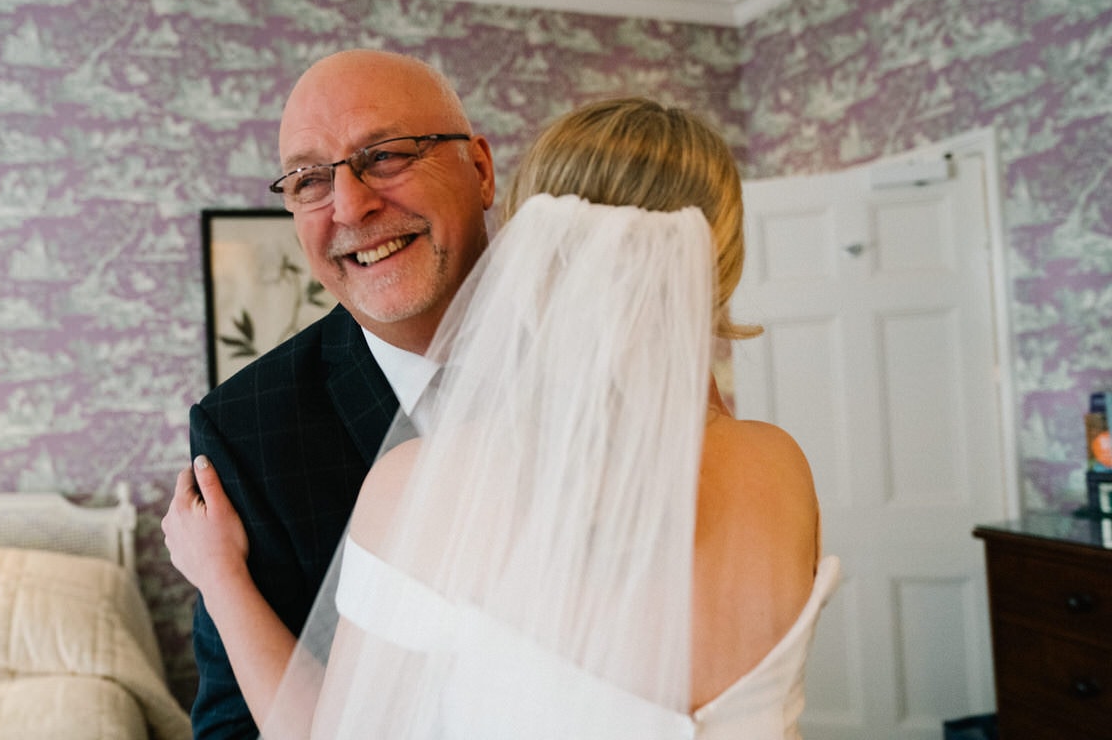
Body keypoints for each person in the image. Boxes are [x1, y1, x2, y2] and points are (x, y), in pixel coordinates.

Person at [171, 97, 839, 739]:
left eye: (390, 156)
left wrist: (221, 578)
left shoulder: (421, 486)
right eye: (310, 179)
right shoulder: (780, 466)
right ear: (721, 259)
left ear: (531, 238)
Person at [162, 48, 496, 739]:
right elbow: (234, 726)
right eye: (310, 180)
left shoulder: (606, 359)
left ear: (481, 169)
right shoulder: (247, 430)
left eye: (387, 155)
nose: (351, 204)